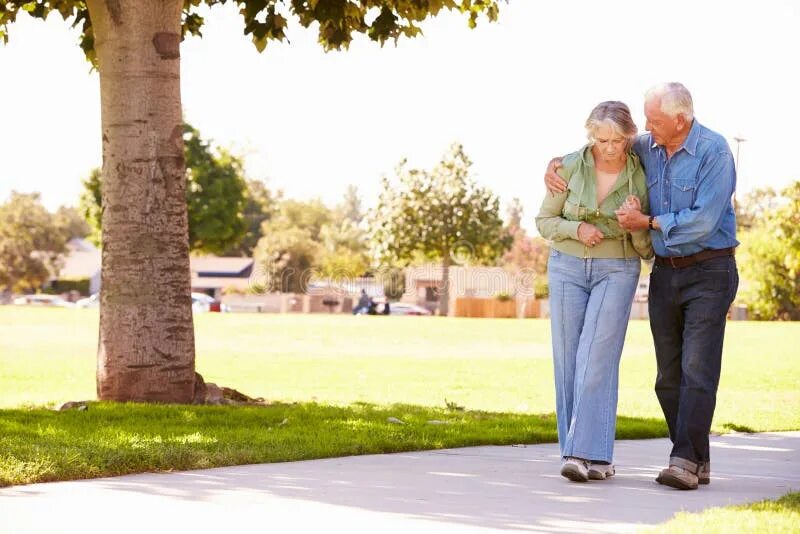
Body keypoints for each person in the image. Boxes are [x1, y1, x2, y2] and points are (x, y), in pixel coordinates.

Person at [544, 83, 739, 490]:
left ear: (680, 120)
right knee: (667, 377)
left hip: (710, 268)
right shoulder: (647, 147)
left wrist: (646, 222)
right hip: (666, 272)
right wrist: (556, 163)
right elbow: (595, 153)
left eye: (653, 121)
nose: (643, 130)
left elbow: (703, 222)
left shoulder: (715, 152)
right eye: (646, 121)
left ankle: (682, 459)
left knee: (695, 369)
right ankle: (695, 456)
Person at [535, 101, 653, 483]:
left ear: (629, 137)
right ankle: (594, 456)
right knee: (568, 360)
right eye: (601, 139)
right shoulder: (567, 166)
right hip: (566, 266)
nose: (609, 147)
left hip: (617, 268)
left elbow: (645, 245)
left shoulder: (642, 172)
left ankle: (580, 453)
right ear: (591, 135)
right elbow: (545, 220)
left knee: (596, 357)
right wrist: (576, 230)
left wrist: (634, 223)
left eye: (617, 140)